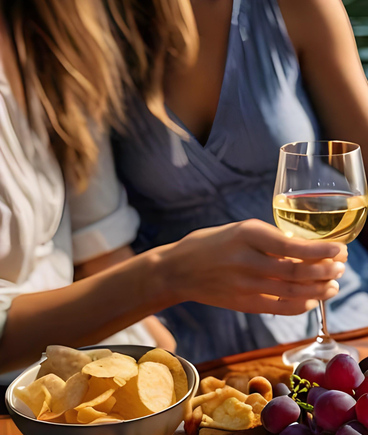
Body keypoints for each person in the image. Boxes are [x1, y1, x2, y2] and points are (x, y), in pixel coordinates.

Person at [110, 0, 368, 362]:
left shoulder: (300, 6)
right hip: (178, 313)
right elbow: (94, 227)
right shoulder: (98, 29)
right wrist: (144, 330)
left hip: (327, 287)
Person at [0, 0, 347, 373]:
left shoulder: (58, 31)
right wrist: (168, 275)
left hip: (86, 364)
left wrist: (166, 364)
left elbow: (97, 235)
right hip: (45, 381)